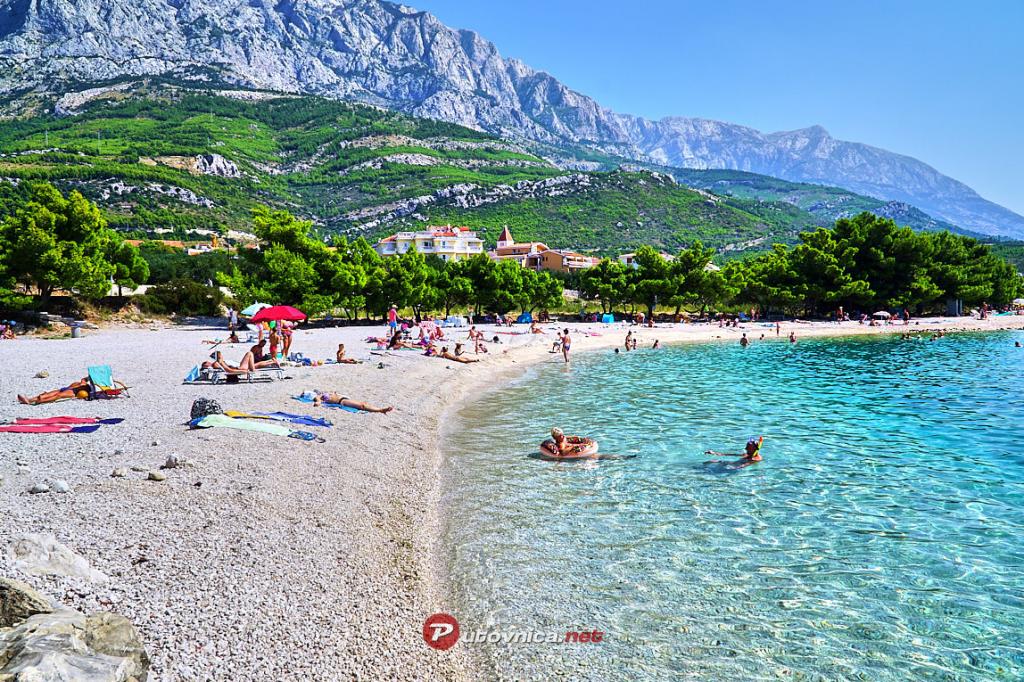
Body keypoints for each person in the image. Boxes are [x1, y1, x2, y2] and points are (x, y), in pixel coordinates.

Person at [18, 377, 90, 405]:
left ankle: (41, 401)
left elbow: (84, 381)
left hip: (72, 392)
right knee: (47, 394)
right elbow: (84, 379)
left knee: (58, 396)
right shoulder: (82, 382)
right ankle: (28, 400)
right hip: (66, 388)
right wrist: (88, 378)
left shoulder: (86, 386)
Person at [311, 391, 394, 414]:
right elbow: (318, 401)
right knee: (362, 405)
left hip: (344, 398)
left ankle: (379, 410)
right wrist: (318, 402)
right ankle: (381, 410)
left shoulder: (327, 392)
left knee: (363, 404)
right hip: (342, 401)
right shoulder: (319, 396)